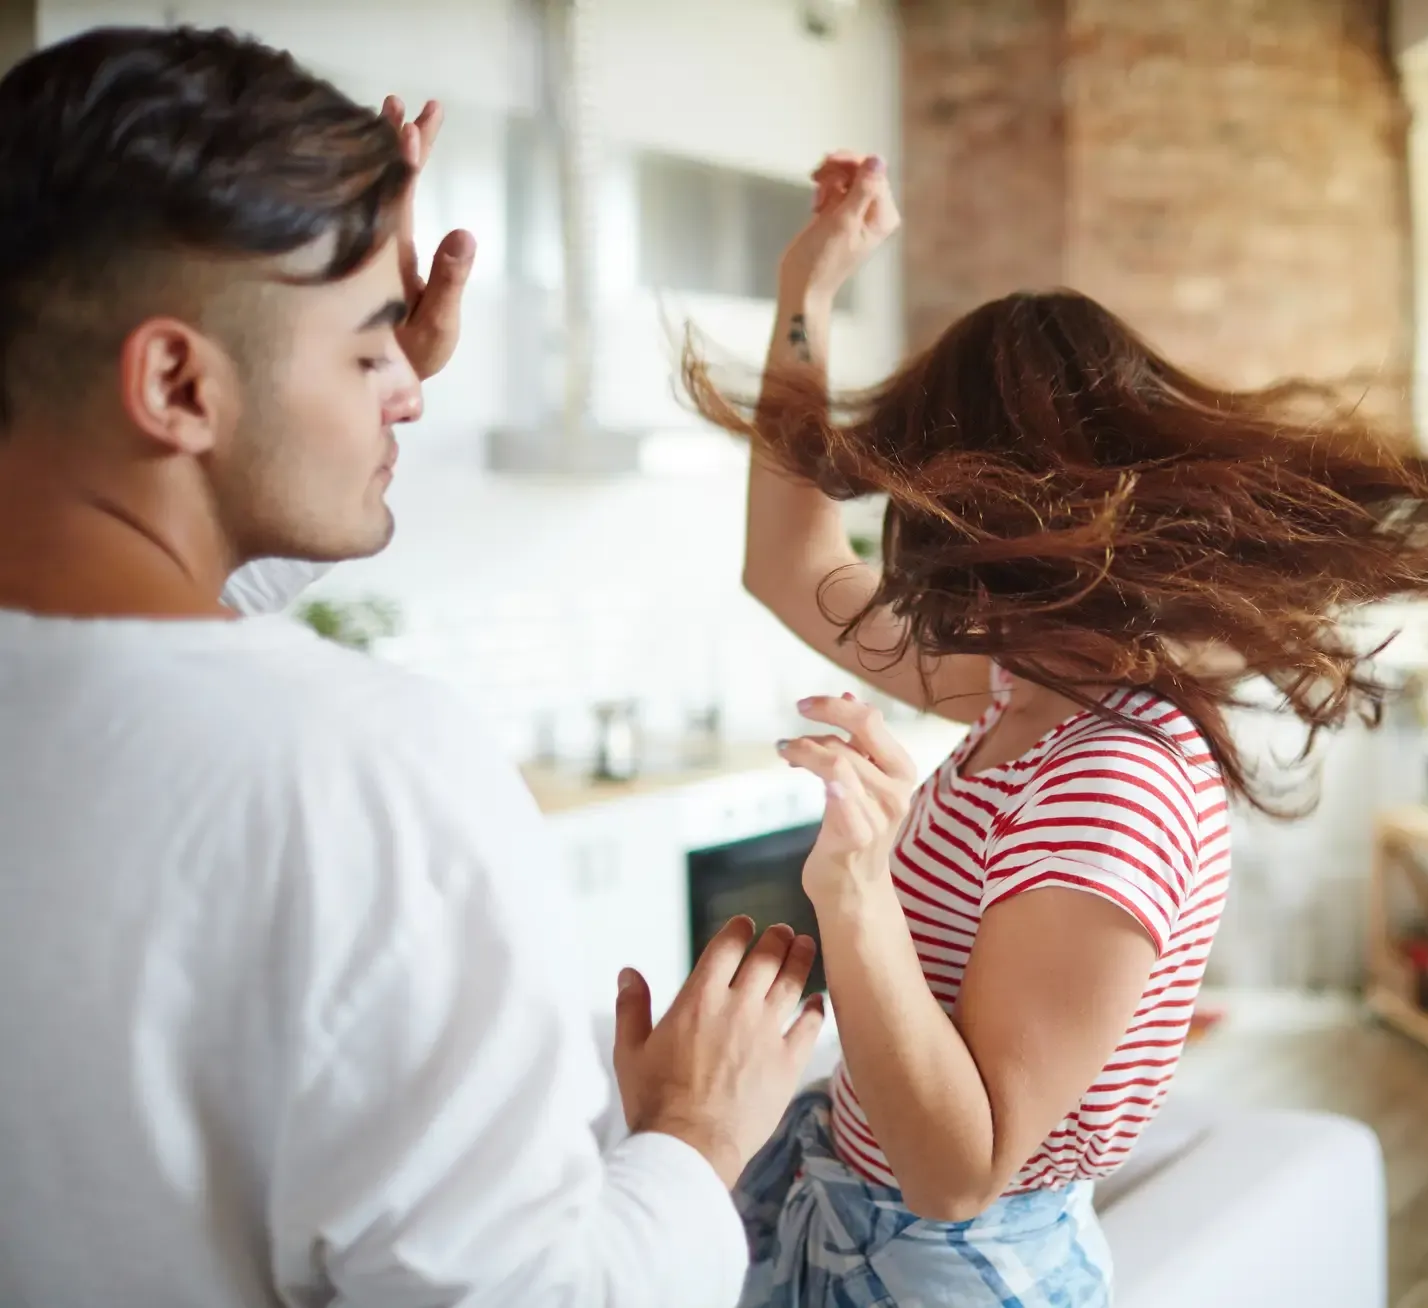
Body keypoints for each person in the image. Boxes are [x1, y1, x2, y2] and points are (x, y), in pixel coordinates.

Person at [681, 153, 1428, 1307]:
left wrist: (857, 889)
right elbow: (788, 566)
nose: (899, 524)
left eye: (913, 485)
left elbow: (958, 1166)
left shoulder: (1108, 774)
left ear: (974, 505)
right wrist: (809, 289)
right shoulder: (1024, 686)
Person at [0, 26, 821, 1307]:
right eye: (373, 348)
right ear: (174, 380)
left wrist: (330, 361)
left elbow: (148, 624)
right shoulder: (355, 767)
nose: (411, 393)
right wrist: (694, 1137)